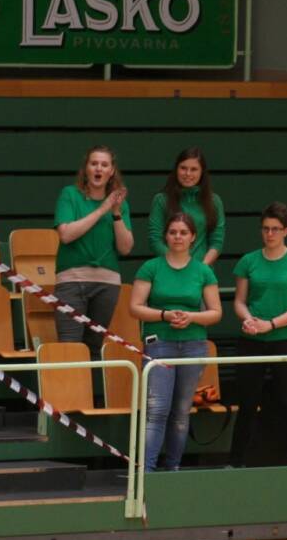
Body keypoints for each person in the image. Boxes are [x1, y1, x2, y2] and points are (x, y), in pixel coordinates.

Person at [129, 213, 221, 473]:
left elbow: (216, 312)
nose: (178, 237)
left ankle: (173, 469)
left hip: (193, 345)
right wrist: (164, 315)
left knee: (181, 412)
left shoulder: (203, 271)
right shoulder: (151, 267)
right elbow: (135, 307)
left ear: (193, 237)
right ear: (166, 237)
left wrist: (191, 317)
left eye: (183, 232)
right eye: (173, 232)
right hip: (160, 343)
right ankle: (146, 472)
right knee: (157, 410)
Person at [230, 203, 287, 467]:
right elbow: (239, 301)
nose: (270, 234)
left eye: (275, 229)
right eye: (266, 228)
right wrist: (248, 319)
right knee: (247, 403)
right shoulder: (249, 261)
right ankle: (237, 461)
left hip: (286, 339)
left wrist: (272, 324)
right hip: (252, 339)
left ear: (286, 231)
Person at [54, 146, 134, 386]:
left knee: (94, 346)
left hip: (107, 283)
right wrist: (103, 209)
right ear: (86, 168)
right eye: (94, 163)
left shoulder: (119, 204)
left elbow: (125, 248)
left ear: (112, 171)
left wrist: (116, 213)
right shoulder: (70, 194)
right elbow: (66, 235)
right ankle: (67, 403)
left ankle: (90, 401)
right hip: (72, 281)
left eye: (104, 164)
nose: (99, 168)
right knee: (70, 347)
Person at [147, 147, 224, 268]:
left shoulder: (214, 201)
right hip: (168, 270)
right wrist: (178, 263)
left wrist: (200, 268)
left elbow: (217, 242)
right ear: (176, 169)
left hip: (201, 271)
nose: (188, 174)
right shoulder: (161, 200)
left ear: (202, 172)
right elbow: (155, 240)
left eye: (194, 169)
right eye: (183, 168)